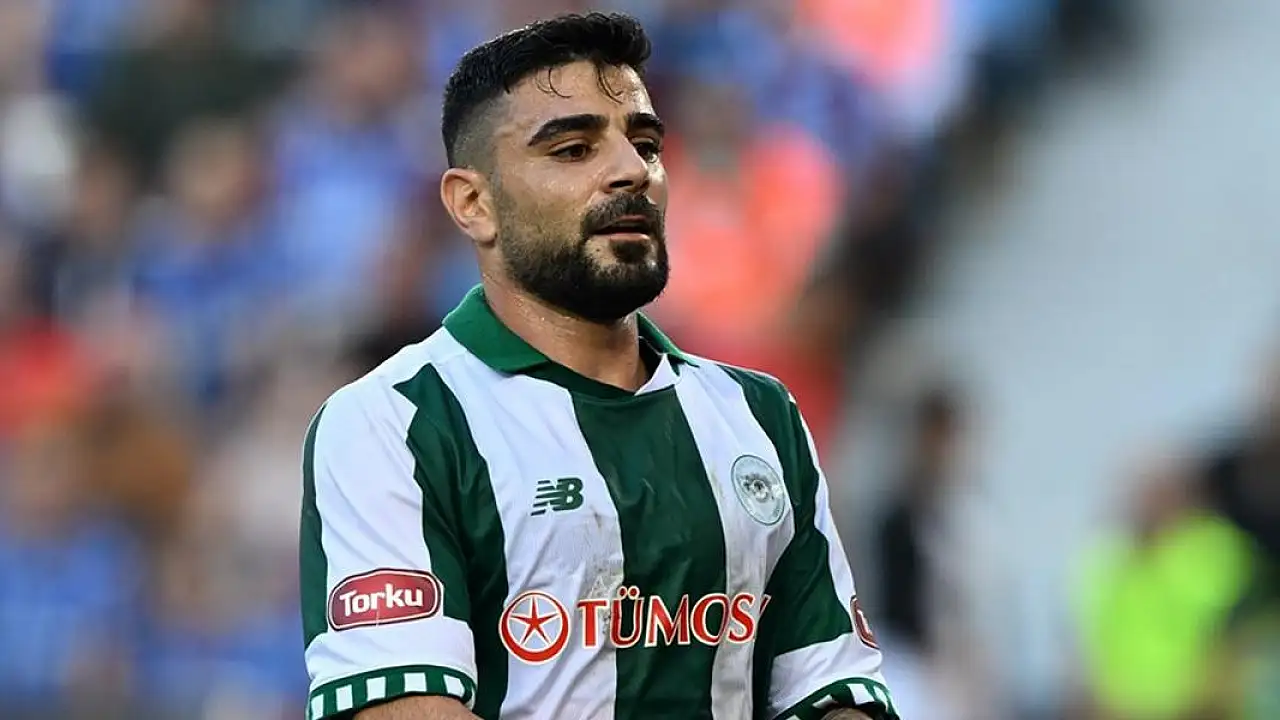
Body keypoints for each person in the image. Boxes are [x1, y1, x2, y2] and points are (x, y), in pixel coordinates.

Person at [299, 13, 898, 720]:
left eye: (645, 144)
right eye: (574, 149)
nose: (631, 171)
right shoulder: (393, 423)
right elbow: (402, 707)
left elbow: (832, 692)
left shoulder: (760, 417)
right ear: (474, 203)